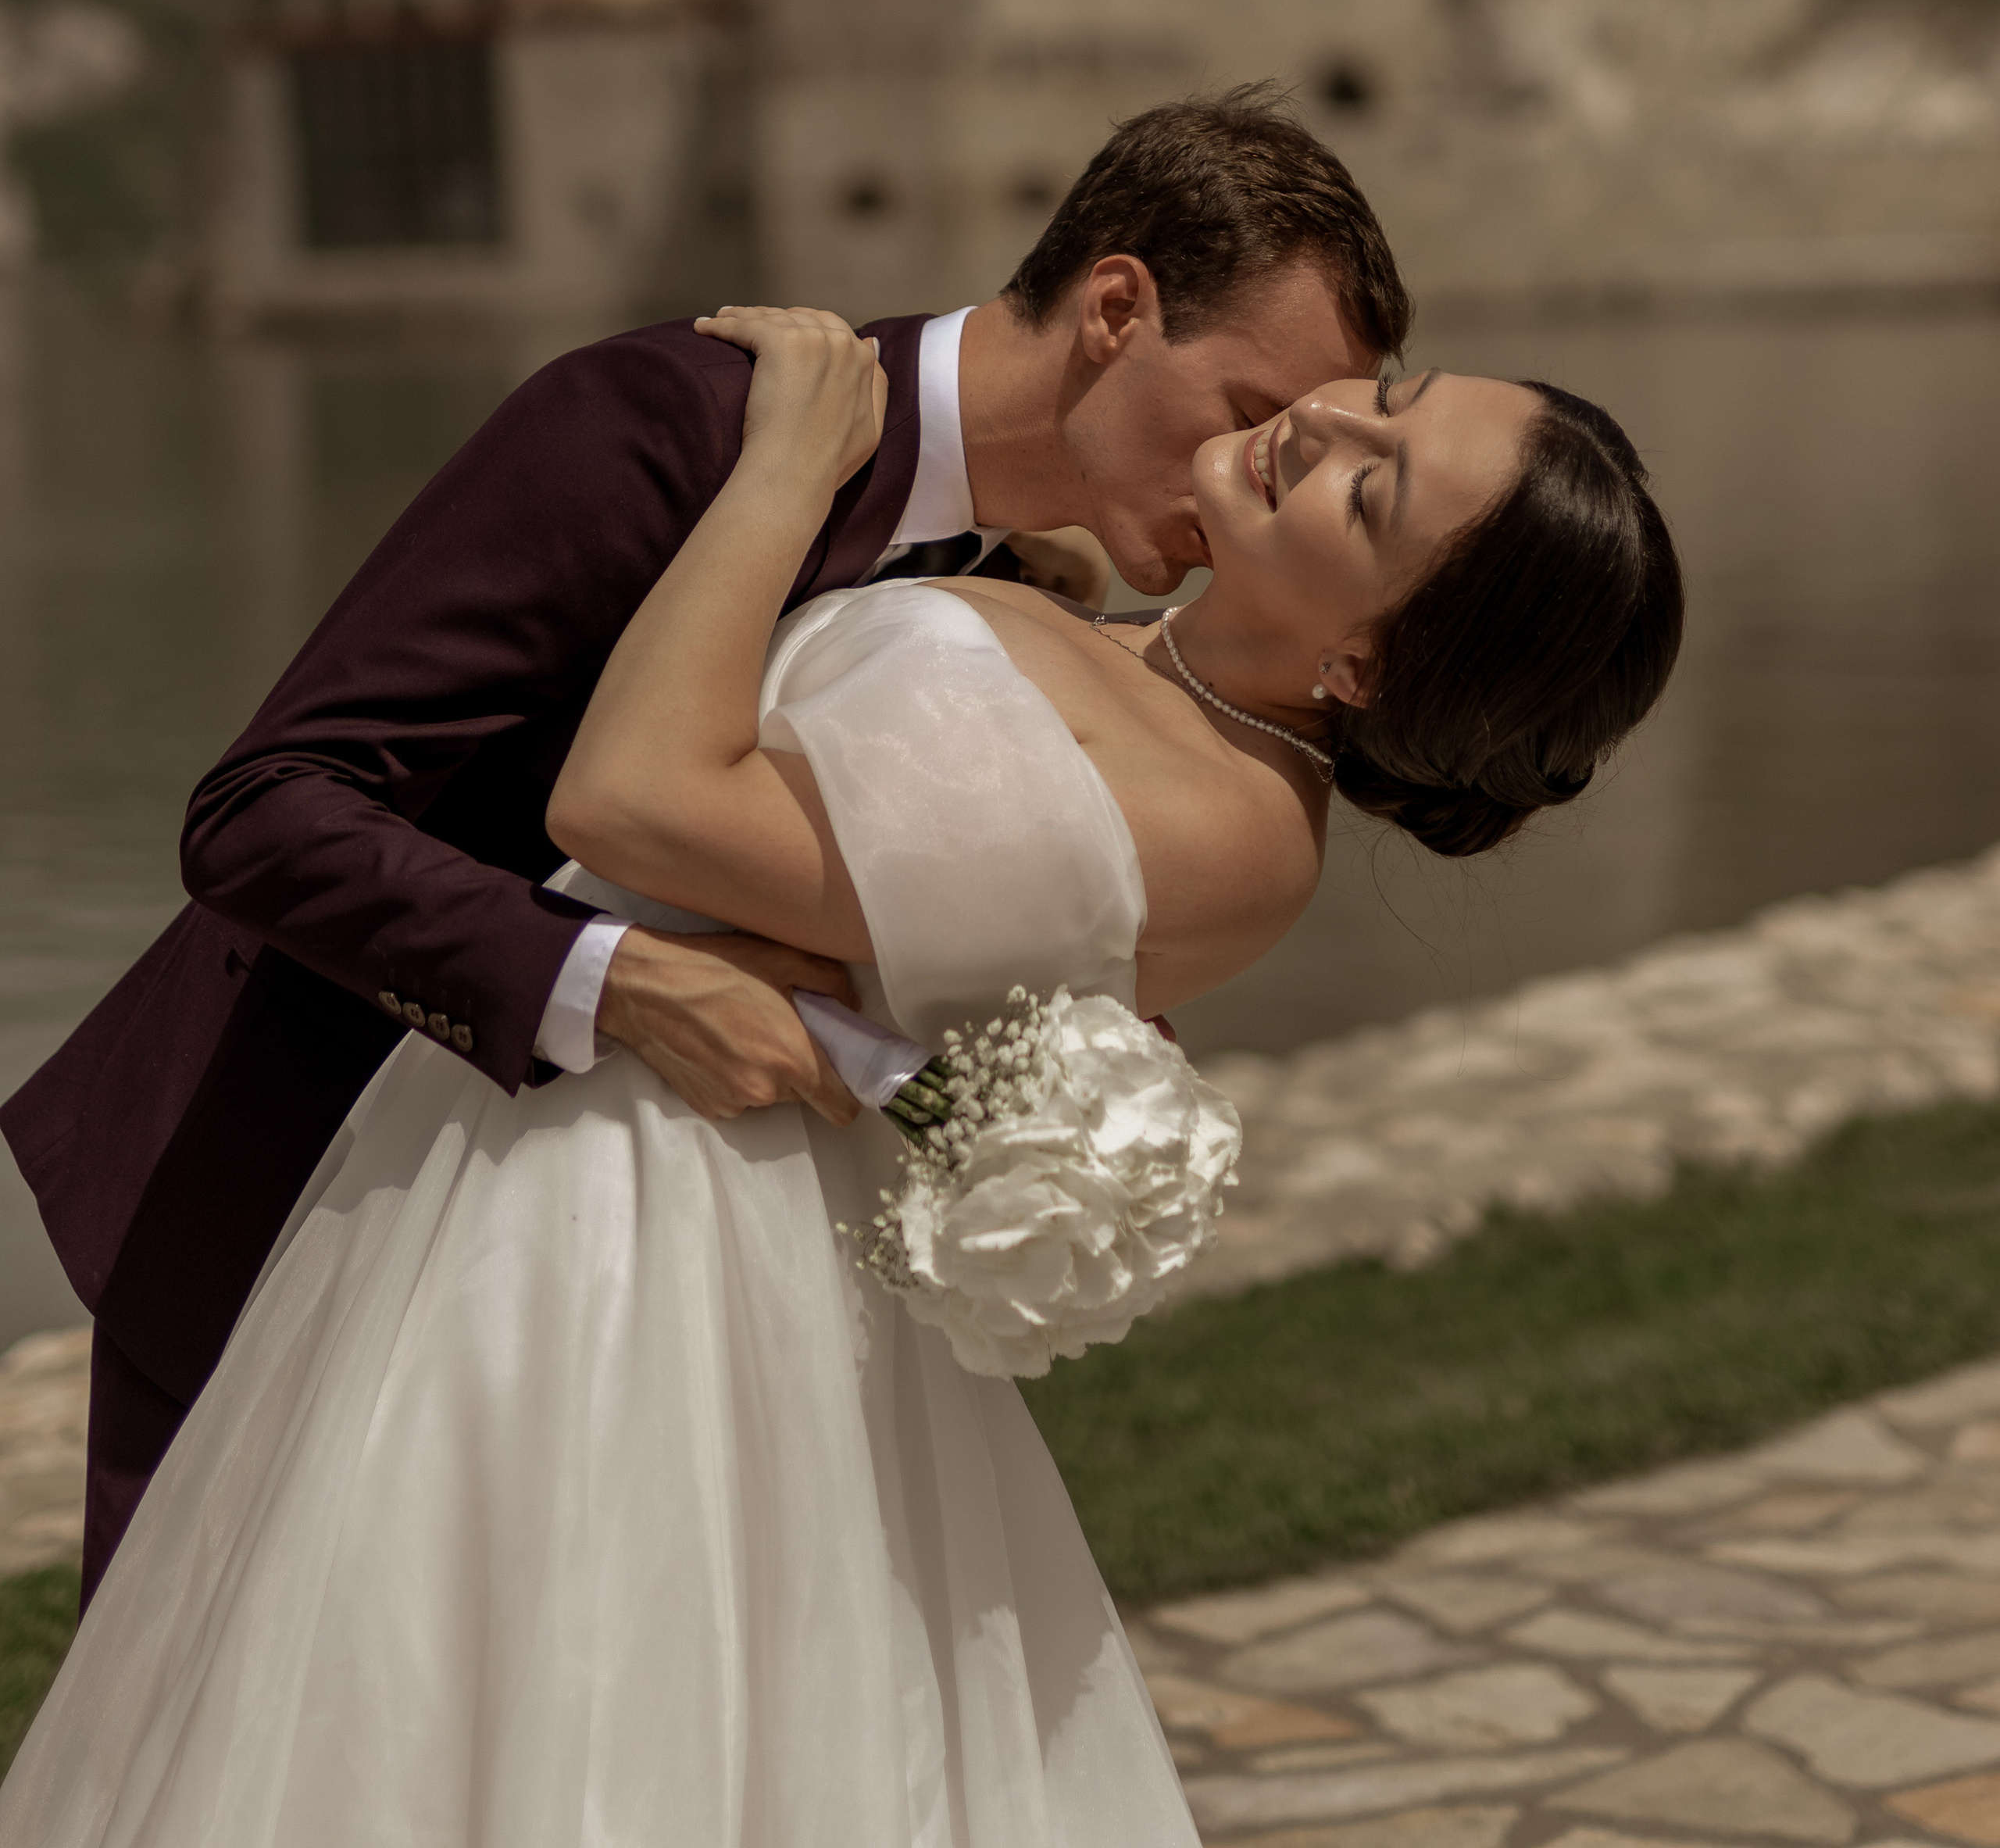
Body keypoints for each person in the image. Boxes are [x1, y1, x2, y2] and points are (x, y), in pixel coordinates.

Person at [0, 307, 1682, 1846]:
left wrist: (786, 473)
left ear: (1365, 668)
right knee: (388, 1672)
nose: (1324, 430)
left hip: (646, 1232)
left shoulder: (1227, 828)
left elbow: (636, 805)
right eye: (1378, 401)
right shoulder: (1105, 633)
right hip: (528, 1148)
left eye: (1373, 499)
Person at [1, 88, 1411, 1603]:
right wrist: (613, 983)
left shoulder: (1028, 586)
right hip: (298, 1184)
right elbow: (264, 812)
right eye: (1244, 412)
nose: (1248, 473)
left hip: (645, 1306)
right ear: (1115, 307)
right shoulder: (673, 417)